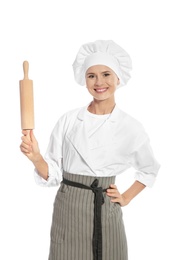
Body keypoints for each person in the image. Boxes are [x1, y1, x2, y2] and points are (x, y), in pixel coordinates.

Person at [20, 40, 160, 260]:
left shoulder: (130, 126)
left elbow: (149, 169)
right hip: (70, 208)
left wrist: (126, 198)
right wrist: (36, 158)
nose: (99, 82)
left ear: (118, 78)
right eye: (91, 76)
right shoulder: (68, 120)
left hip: (106, 208)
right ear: (84, 80)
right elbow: (53, 173)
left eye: (106, 74)